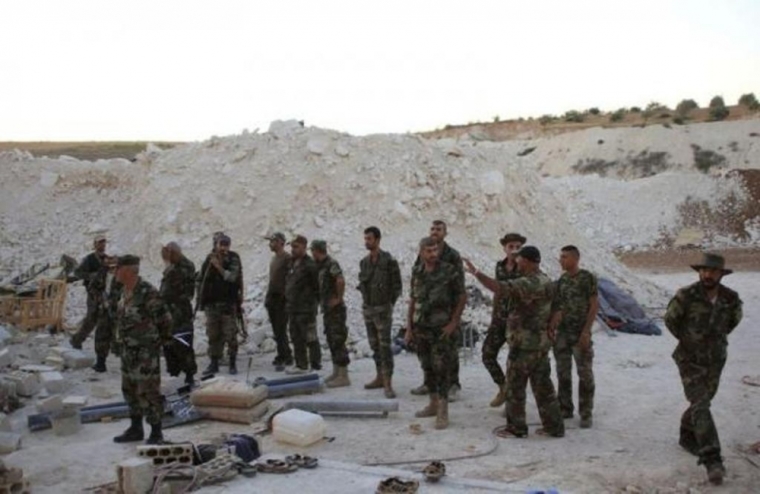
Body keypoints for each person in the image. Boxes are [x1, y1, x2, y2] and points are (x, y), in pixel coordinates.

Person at [464, 246, 565, 438]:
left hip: (523, 345)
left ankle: (516, 428)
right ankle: (554, 427)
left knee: (515, 387)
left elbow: (499, 288)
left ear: (527, 261)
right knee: (544, 387)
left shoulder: (528, 283)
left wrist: (476, 273)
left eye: (519, 260)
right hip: (541, 344)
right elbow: (559, 308)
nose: (517, 263)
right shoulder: (547, 281)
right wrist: (551, 327)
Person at [664, 253, 743, 486]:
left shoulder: (730, 298)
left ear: (721, 274)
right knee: (700, 404)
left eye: (713, 271)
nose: (707, 275)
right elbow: (671, 321)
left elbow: (732, 321)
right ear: (699, 272)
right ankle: (712, 460)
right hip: (689, 359)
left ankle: (686, 434)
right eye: (704, 271)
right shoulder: (685, 296)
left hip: (716, 359)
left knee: (703, 402)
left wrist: (713, 342)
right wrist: (691, 341)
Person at [406, 237, 466, 430]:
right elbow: (413, 300)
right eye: (429, 251)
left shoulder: (448, 271)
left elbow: (462, 296)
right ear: (421, 252)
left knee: (442, 369)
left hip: (441, 329)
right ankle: (432, 403)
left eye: (435, 250)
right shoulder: (417, 272)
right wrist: (409, 327)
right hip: (421, 328)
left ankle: (443, 410)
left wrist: (454, 322)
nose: (433, 254)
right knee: (427, 367)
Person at [111, 255, 173, 445]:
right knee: (129, 390)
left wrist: (156, 344)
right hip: (128, 351)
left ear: (128, 270)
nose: (114, 272)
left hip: (145, 353)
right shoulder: (124, 291)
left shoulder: (147, 292)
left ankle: (156, 432)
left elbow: (165, 320)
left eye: (117, 268)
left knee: (149, 392)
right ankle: (136, 428)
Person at [549, 245, 598, 428]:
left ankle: (586, 413)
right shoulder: (562, 281)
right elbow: (558, 306)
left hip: (580, 333)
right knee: (563, 373)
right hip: (563, 334)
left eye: (565, 257)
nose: (561, 260)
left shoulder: (587, 278)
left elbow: (594, 306)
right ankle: (565, 408)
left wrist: (586, 331)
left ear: (576, 259)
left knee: (584, 374)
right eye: (560, 257)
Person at [482, 233, 526, 408]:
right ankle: (503, 387)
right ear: (504, 248)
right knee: (487, 354)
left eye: (518, 247)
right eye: (511, 247)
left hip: (517, 322)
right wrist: (494, 315)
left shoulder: (525, 268)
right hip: (500, 318)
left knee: (514, 362)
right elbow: (497, 291)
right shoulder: (499, 267)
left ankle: (513, 402)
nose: (514, 250)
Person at [359, 226, 402, 398]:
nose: (366, 242)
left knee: (385, 348)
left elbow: (397, 286)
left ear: (377, 240)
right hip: (368, 309)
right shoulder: (364, 262)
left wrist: (388, 304)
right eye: (365, 239)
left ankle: (388, 383)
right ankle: (379, 377)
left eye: (369, 239)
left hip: (382, 310)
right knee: (374, 346)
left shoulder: (388, 261)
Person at [197, 234, 242, 375]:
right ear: (215, 244)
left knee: (230, 334)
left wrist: (219, 267)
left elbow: (232, 277)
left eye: (226, 244)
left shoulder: (233, 258)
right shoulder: (209, 259)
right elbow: (201, 280)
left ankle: (232, 363)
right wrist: (200, 302)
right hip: (212, 305)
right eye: (221, 244)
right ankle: (214, 362)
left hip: (228, 304)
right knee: (213, 335)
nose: (224, 247)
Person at [311, 240, 350, 387]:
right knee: (331, 339)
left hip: (336, 310)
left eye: (313, 250)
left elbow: (340, 280)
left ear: (317, 250)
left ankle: (344, 375)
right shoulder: (320, 265)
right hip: (327, 309)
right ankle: (336, 372)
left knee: (338, 339)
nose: (312, 253)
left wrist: (338, 299)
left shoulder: (331, 264)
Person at [160, 242, 198, 385]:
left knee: (183, 343)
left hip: (180, 313)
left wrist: (168, 263)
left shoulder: (184, 266)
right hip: (170, 313)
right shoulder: (173, 266)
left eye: (169, 254)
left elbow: (170, 289)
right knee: (169, 344)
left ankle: (189, 374)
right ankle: (173, 372)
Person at [284, 235, 321, 374]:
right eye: (292, 246)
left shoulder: (310, 265)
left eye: (296, 247)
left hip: (306, 309)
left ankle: (315, 365)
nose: (293, 249)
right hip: (293, 308)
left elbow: (317, 287)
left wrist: (314, 305)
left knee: (310, 337)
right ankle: (301, 365)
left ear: (304, 247)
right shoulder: (292, 262)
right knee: (296, 337)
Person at [70, 235, 110, 355]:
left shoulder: (107, 259)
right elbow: (78, 272)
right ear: (95, 245)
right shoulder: (89, 259)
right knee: (91, 319)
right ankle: (77, 339)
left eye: (104, 243)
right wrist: (91, 275)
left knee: (106, 319)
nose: (102, 245)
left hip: (105, 293)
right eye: (99, 243)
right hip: (93, 293)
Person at [264, 232, 293, 371]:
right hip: (273, 299)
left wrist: (286, 297)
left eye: (273, 241)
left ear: (281, 242)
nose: (270, 244)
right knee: (277, 330)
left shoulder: (287, 258)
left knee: (281, 329)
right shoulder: (274, 258)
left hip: (282, 300)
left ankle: (286, 356)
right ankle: (282, 353)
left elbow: (290, 280)